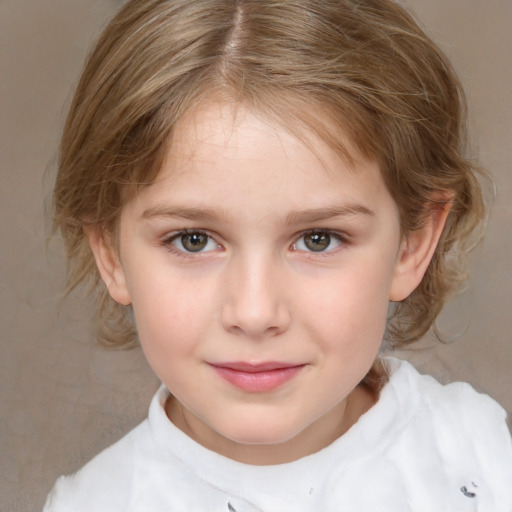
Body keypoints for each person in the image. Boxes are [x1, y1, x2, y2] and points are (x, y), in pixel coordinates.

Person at [43, 0, 512, 510]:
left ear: (413, 242)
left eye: (318, 239)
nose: (255, 312)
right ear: (110, 252)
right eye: (193, 240)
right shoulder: (94, 502)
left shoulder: (480, 462)